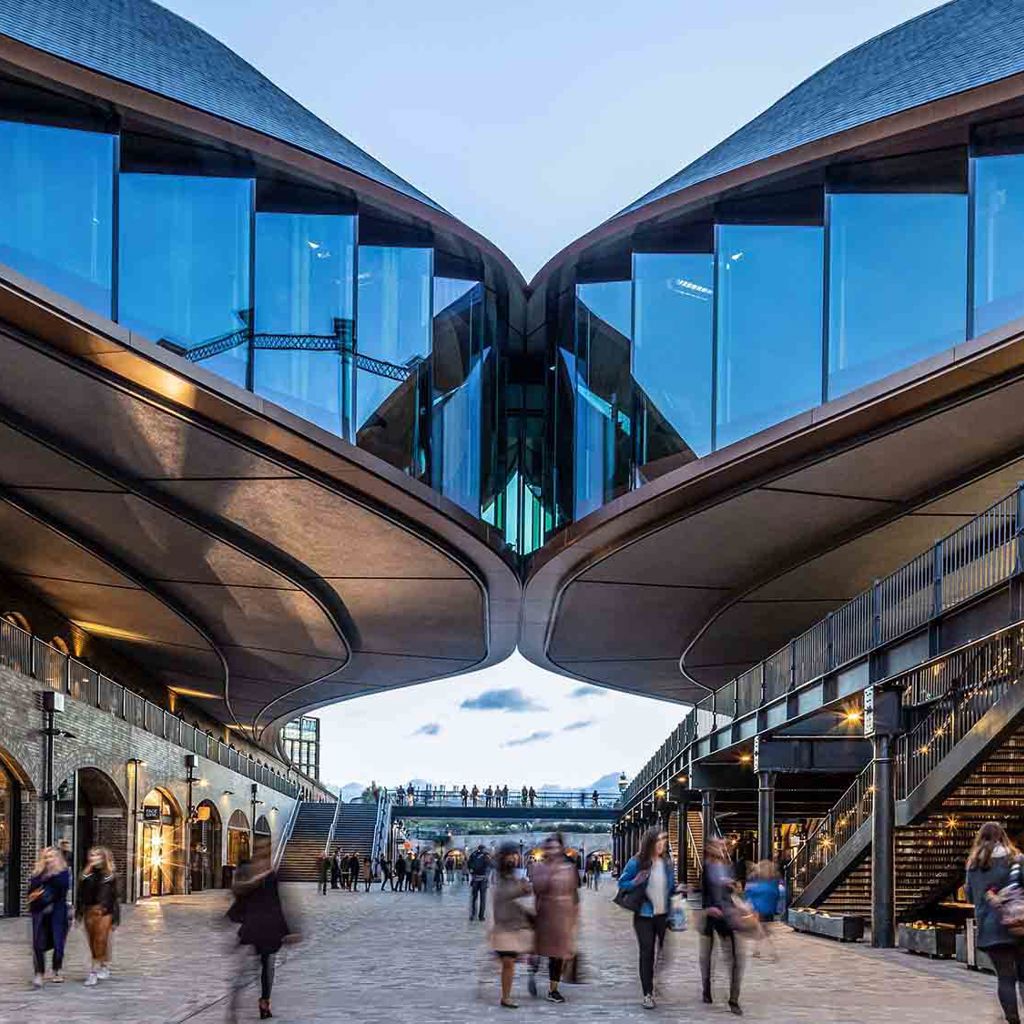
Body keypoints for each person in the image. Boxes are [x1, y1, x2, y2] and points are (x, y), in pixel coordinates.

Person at [966, 822, 1024, 1024]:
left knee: (1005, 977)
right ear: (1002, 836)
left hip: (991, 929)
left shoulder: (974, 865)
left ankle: (1013, 1019)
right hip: (1019, 925)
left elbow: (971, 897)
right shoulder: (1017, 859)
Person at [227, 850, 293, 1022]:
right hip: (265, 929)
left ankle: (248, 1004)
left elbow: (239, 898)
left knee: (257, 968)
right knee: (263, 967)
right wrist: (288, 930)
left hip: (256, 929)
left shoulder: (256, 877)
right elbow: (277, 904)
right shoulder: (267, 877)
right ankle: (259, 1003)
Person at [618, 826, 677, 1009]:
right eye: (658, 841)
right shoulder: (637, 862)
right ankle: (647, 993)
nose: (662, 844)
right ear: (650, 842)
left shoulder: (667, 862)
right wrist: (636, 881)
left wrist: (679, 890)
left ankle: (654, 980)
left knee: (665, 953)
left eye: (663, 841)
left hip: (663, 915)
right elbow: (623, 882)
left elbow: (670, 887)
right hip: (644, 915)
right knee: (647, 954)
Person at [529, 833, 579, 1004]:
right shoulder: (538, 868)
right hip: (545, 914)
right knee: (541, 951)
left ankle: (553, 989)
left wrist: (574, 918)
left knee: (558, 955)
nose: (553, 850)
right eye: (549, 847)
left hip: (562, 916)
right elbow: (538, 889)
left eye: (556, 847)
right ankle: (533, 970)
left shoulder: (569, 868)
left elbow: (574, 893)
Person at [700, 837, 744, 1015]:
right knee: (708, 956)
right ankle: (706, 988)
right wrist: (708, 907)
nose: (721, 848)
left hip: (727, 916)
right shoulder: (706, 869)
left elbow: (736, 890)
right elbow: (703, 894)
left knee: (735, 959)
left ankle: (734, 999)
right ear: (710, 849)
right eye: (717, 845)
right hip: (712, 917)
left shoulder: (728, 867)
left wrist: (733, 886)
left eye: (721, 845)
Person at [491, 842, 535, 1009]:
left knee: (509, 961)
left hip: (515, 924)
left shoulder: (514, 876)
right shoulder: (499, 876)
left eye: (515, 855)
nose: (514, 858)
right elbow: (503, 895)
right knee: (508, 961)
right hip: (504, 926)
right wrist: (521, 889)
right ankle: (506, 997)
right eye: (512, 854)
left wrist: (525, 888)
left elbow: (523, 894)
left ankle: (506, 994)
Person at [75, 846, 120, 986]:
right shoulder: (86, 875)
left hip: (104, 911)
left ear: (103, 858)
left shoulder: (110, 876)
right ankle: (102, 964)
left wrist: (115, 918)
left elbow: (114, 897)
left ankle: (93, 972)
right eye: (92, 855)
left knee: (100, 940)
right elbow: (80, 896)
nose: (93, 858)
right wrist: (78, 914)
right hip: (89, 910)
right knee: (92, 941)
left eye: (97, 856)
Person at [28, 846, 71, 987]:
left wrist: (49, 877)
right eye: (46, 857)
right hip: (40, 911)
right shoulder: (37, 874)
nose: (48, 860)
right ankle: (39, 973)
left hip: (57, 912)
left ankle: (56, 970)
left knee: (58, 942)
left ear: (58, 858)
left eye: (52, 856)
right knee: (38, 943)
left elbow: (62, 887)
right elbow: (31, 892)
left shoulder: (63, 873)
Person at [745, 861, 779, 961]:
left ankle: (772, 953)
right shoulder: (772, 881)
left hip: (761, 909)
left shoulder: (763, 883)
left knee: (763, 932)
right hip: (768, 909)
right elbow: (775, 894)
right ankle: (756, 950)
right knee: (761, 931)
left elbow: (753, 892)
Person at [469, 844, 491, 921]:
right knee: (482, 898)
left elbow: (470, 865)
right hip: (482, 879)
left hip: (476, 878)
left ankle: (473, 915)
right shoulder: (486, 855)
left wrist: (472, 873)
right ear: (483, 849)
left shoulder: (473, 854)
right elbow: (490, 866)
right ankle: (480, 916)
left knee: (474, 898)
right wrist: (487, 876)